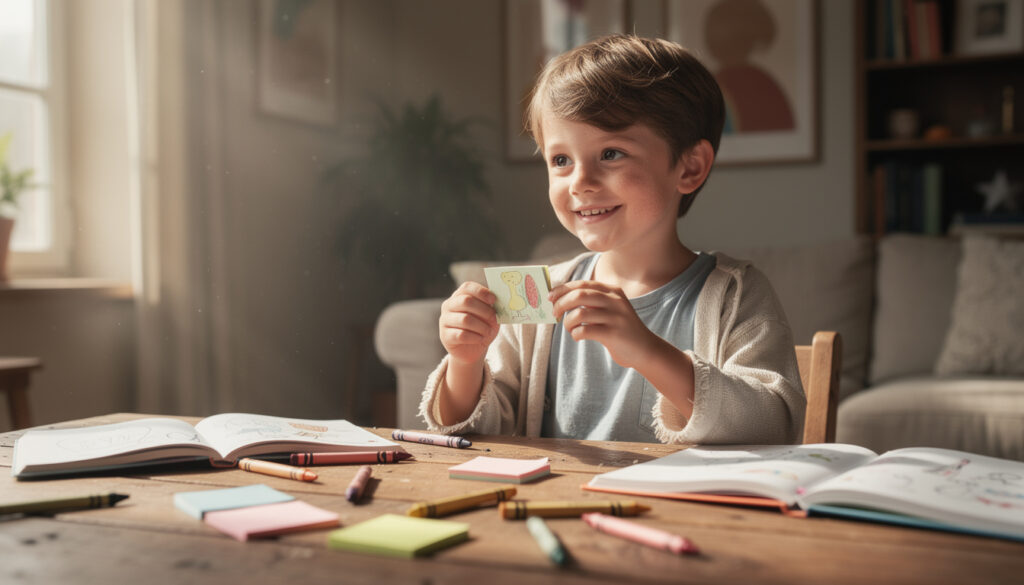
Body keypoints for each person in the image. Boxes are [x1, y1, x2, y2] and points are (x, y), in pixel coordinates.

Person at [418, 34, 804, 444]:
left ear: (690, 167)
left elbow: (774, 427)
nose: (580, 182)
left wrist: (649, 353)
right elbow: (478, 436)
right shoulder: (538, 296)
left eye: (611, 153)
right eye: (561, 160)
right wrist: (465, 361)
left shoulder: (735, 295)